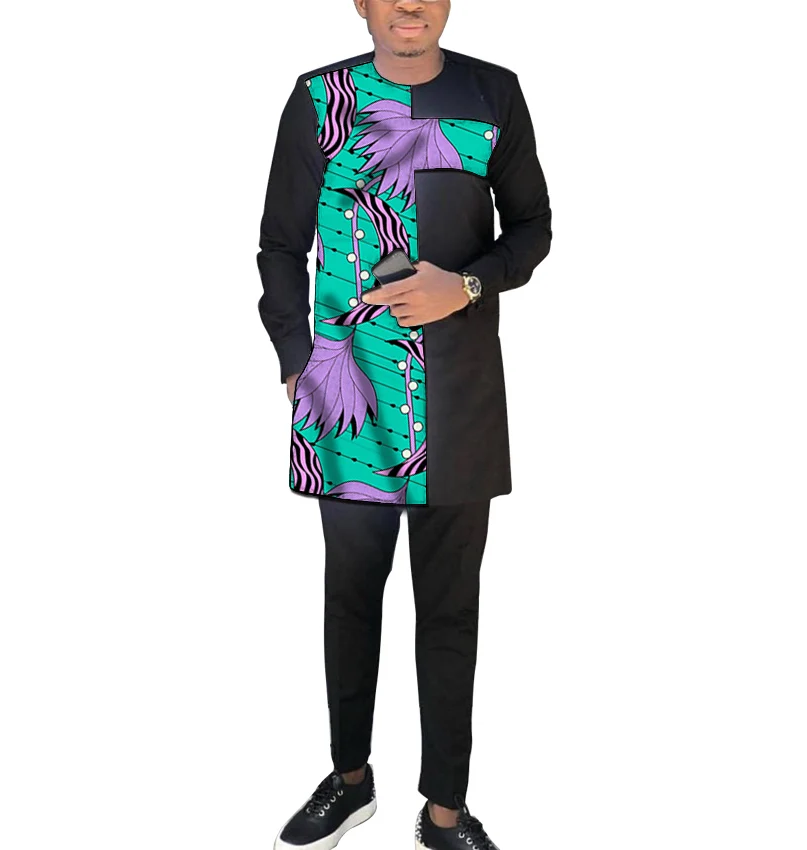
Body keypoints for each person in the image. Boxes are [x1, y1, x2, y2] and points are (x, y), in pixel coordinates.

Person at [256, 1, 551, 847]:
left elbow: (533, 228)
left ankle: (445, 809)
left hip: (459, 399)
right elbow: (279, 245)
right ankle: (349, 782)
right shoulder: (321, 100)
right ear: (361, 2)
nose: (409, 5)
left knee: (451, 610)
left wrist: (465, 285)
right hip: (348, 398)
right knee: (350, 599)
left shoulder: (494, 95)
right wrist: (296, 359)